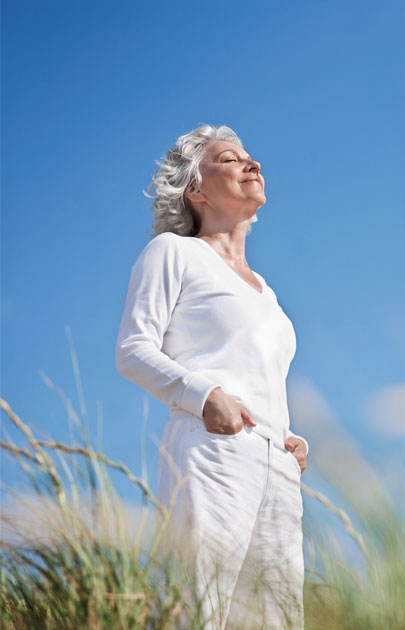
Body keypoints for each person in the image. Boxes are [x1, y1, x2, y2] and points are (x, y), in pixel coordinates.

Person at [115, 124, 307, 629]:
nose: (252, 164)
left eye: (250, 157)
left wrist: (284, 436)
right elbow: (133, 349)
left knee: (276, 619)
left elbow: (252, 367)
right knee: (199, 609)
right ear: (195, 190)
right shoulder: (174, 253)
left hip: (277, 471)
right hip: (212, 448)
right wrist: (204, 396)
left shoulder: (266, 291)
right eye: (229, 158)